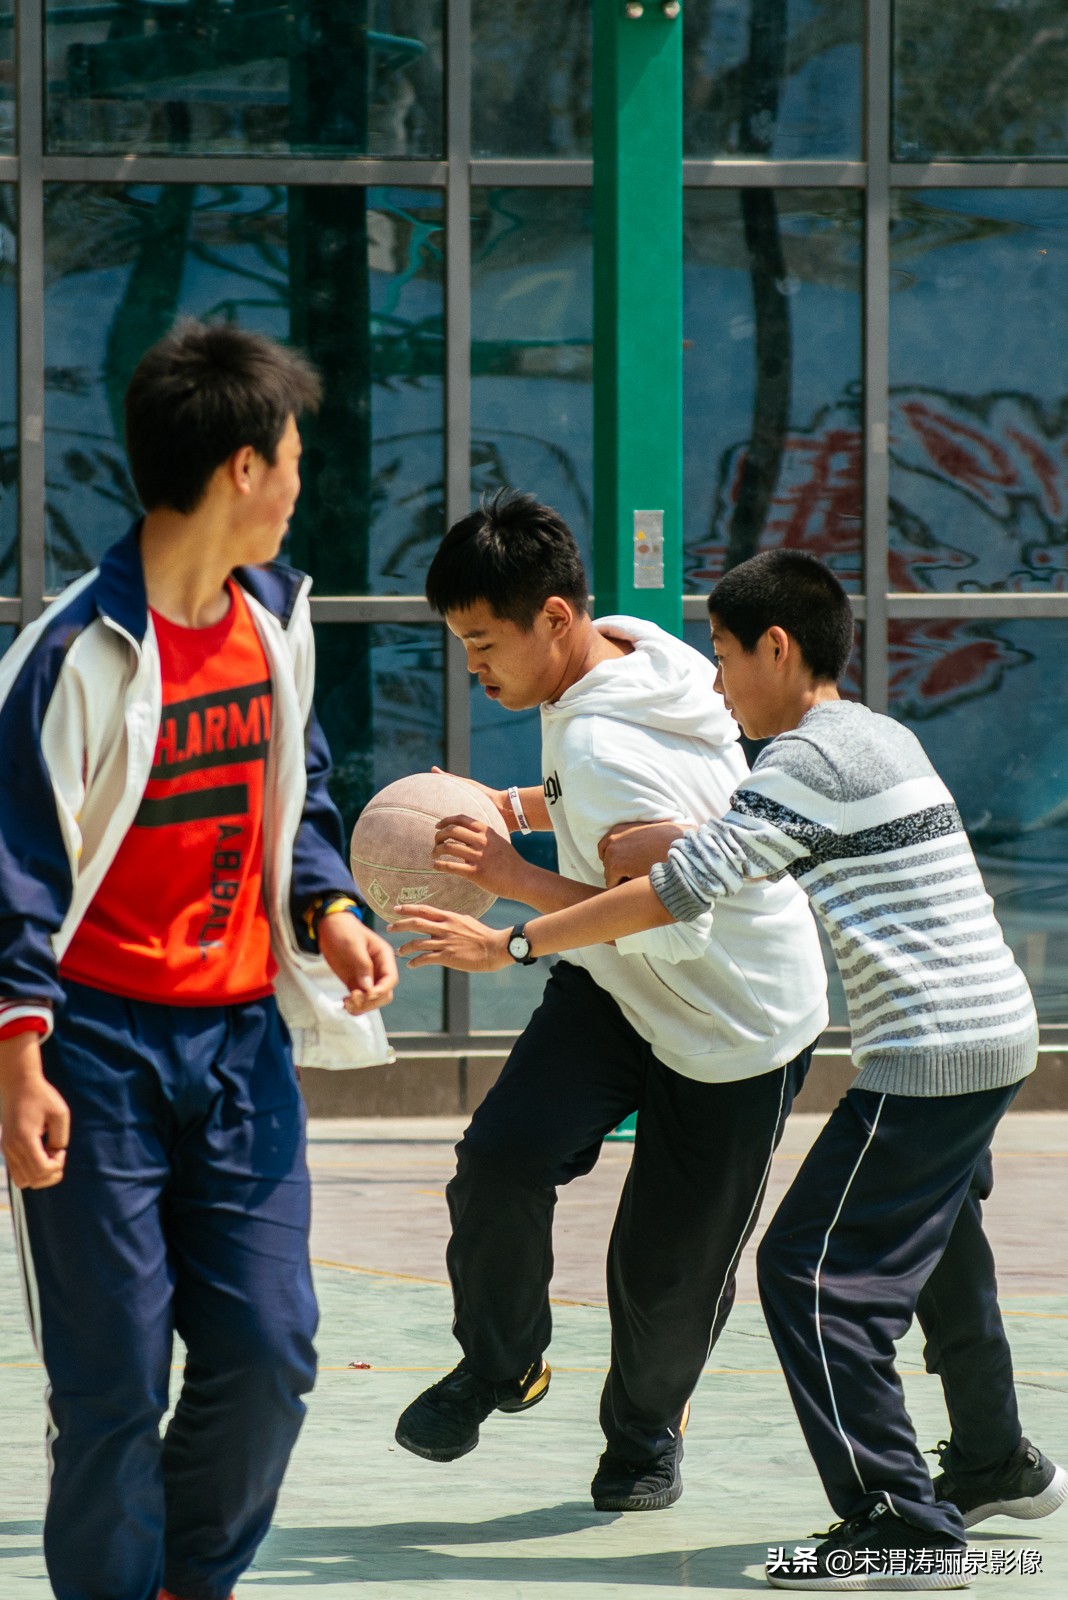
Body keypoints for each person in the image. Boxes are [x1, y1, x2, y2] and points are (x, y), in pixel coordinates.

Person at [391, 547, 1066, 1590]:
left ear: (776, 648)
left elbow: (678, 894)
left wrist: (511, 938)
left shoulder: (795, 764)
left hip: (923, 1054)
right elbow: (733, 829)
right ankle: (994, 1460)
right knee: (942, 1246)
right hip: (994, 1034)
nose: (713, 680)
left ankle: (901, 1521)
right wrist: (536, 809)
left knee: (806, 1272)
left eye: (726, 654)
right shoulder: (870, 736)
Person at [0, 319, 398, 1600]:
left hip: (239, 1047)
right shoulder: (72, 654)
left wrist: (330, 908)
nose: (299, 484)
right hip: (95, 1051)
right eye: (293, 459)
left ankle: (190, 1579)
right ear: (242, 468)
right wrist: (19, 1056)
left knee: (272, 1349)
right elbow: (12, 870)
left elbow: (300, 794)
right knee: (112, 1383)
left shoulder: (277, 621)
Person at [392, 492, 828, 1513]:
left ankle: (642, 1441)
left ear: (554, 617)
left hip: (733, 1019)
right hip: (618, 986)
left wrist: (512, 899)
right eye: (461, 644)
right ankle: (501, 1364)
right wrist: (515, 803)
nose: (473, 666)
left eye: (482, 642)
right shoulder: (634, 650)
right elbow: (613, 807)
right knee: (502, 1158)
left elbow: (670, 921)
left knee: (667, 1269)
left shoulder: (604, 748)